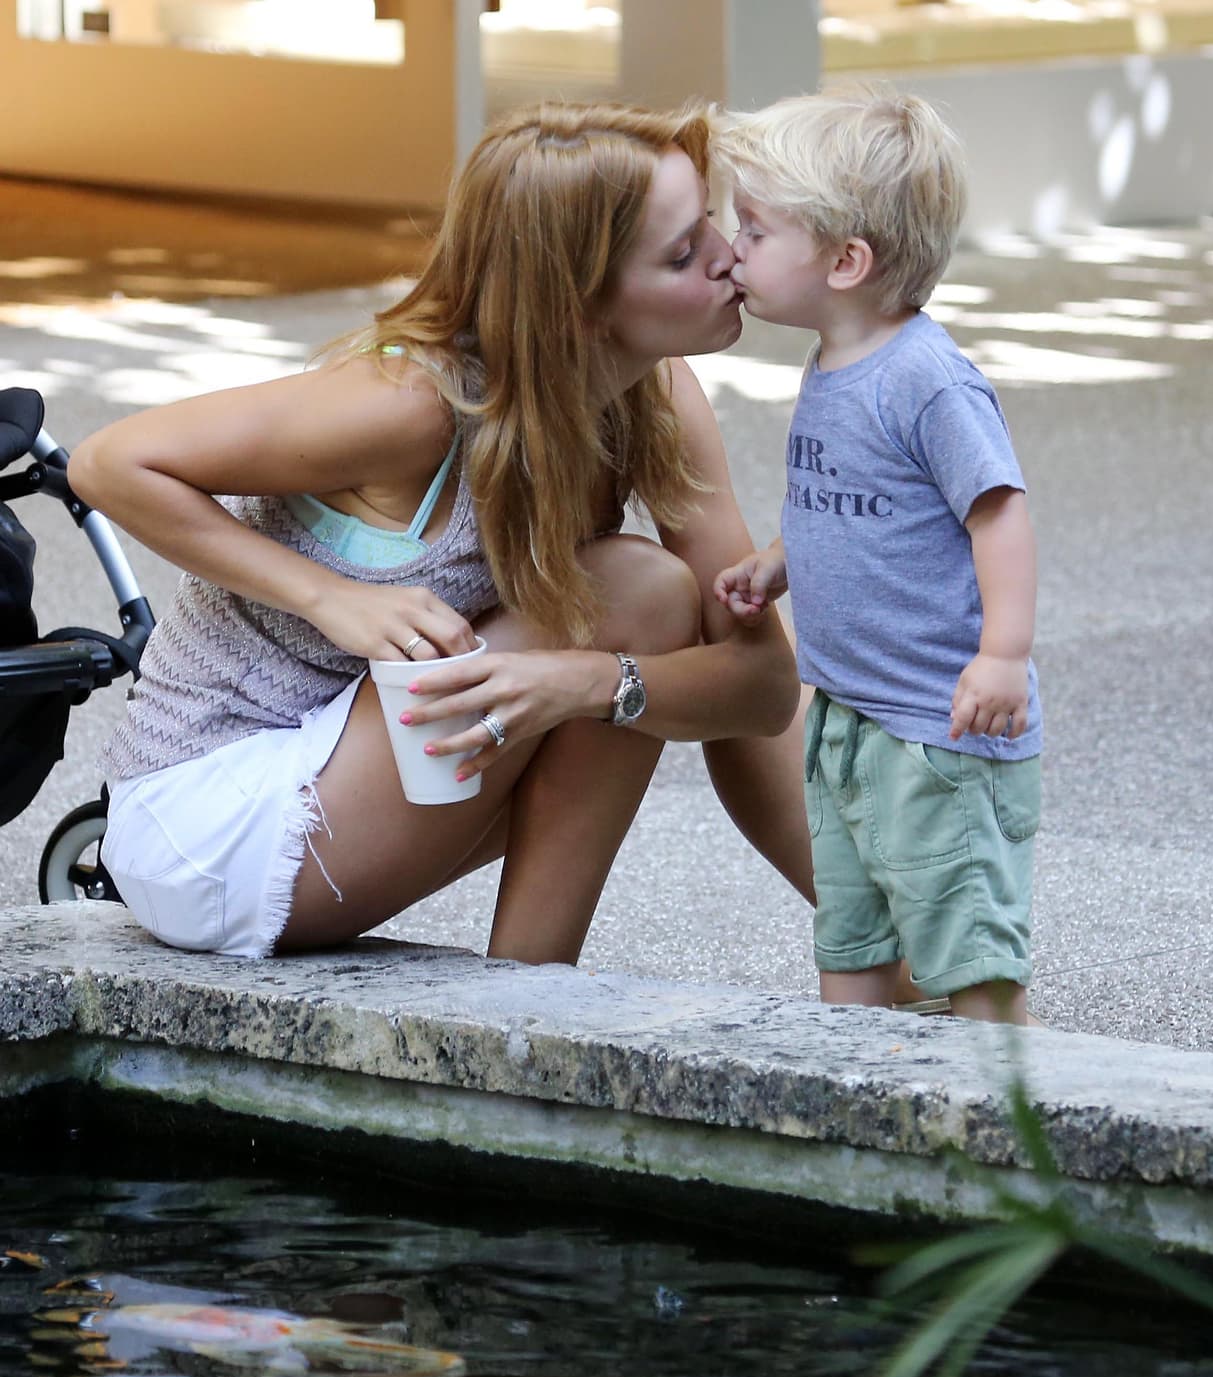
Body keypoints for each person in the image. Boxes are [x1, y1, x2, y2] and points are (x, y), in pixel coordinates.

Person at [67, 100, 809, 963]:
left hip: (359, 768)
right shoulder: (419, 403)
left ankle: (532, 1007)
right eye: (683, 252)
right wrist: (330, 597)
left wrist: (593, 683)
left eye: (710, 222)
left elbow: (758, 690)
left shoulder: (654, 392)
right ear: (576, 305)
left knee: (625, 646)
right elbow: (110, 462)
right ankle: (524, 1022)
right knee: (638, 592)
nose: (730, 259)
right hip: (210, 809)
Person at [712, 89, 1041, 1025]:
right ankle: (858, 1106)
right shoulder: (830, 361)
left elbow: (998, 513)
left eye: (756, 229)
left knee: (966, 957)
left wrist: (1003, 654)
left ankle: (1015, 1126)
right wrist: (784, 558)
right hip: (848, 719)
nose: (733, 249)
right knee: (851, 943)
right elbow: (870, 502)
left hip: (940, 731)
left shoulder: (928, 381)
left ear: (847, 262)